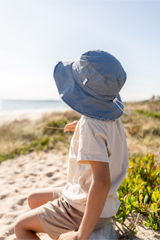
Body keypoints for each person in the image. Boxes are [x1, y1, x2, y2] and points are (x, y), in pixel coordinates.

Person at [14, 50, 130, 240]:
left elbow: (101, 182)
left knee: (20, 227)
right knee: (33, 199)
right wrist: (80, 126)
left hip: (84, 208)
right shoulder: (112, 114)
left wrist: (80, 236)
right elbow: (105, 136)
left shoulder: (91, 125)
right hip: (103, 202)